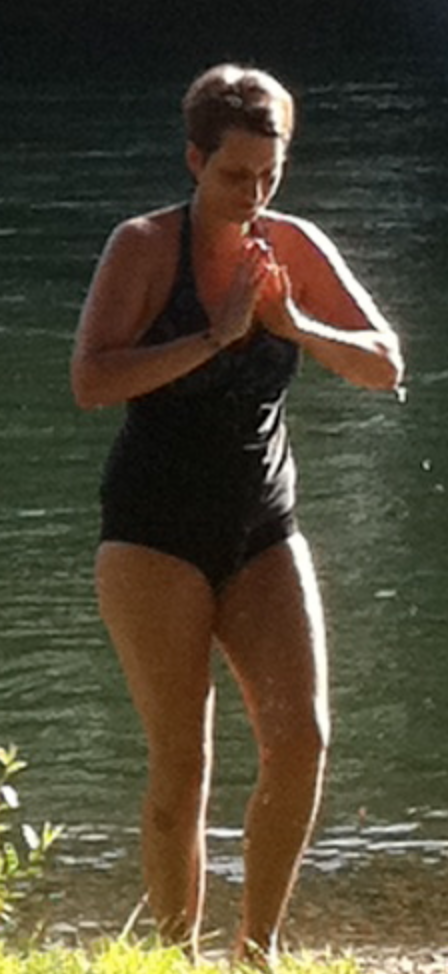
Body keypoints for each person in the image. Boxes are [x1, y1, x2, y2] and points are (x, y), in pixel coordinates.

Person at [71, 63, 404, 966]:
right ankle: (170, 956)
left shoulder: (291, 245)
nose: (254, 193)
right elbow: (91, 379)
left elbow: (385, 365)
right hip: (152, 532)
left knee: (303, 739)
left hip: (262, 525)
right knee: (184, 764)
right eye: (234, 175)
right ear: (194, 160)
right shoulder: (145, 247)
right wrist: (212, 336)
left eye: (270, 173)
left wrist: (296, 326)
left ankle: (256, 951)